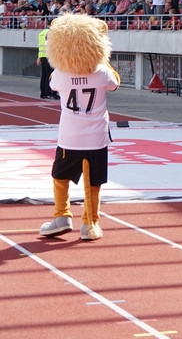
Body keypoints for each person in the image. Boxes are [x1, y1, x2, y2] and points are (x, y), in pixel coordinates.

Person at [39, 13, 120, 242]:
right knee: (93, 182)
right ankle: (90, 222)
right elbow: (115, 83)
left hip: (69, 137)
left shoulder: (61, 75)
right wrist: (101, 60)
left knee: (60, 177)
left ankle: (62, 216)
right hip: (96, 137)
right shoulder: (101, 72)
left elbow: (52, 84)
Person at [36, 19, 57, 100]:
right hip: (49, 56)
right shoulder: (50, 33)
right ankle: (48, 93)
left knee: (44, 75)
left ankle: (43, 93)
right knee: (50, 76)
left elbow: (40, 45)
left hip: (42, 56)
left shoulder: (42, 33)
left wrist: (39, 56)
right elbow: (50, 45)